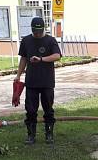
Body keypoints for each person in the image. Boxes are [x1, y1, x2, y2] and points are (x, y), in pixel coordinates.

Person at [15, 16, 62, 144]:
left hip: (47, 82)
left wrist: (41, 59)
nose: (37, 34)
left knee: (48, 109)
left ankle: (49, 134)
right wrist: (18, 75)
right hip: (31, 82)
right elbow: (23, 59)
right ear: (31, 29)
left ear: (43, 29)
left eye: (39, 32)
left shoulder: (50, 41)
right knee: (30, 110)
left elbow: (57, 56)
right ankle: (31, 135)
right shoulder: (26, 41)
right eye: (35, 32)